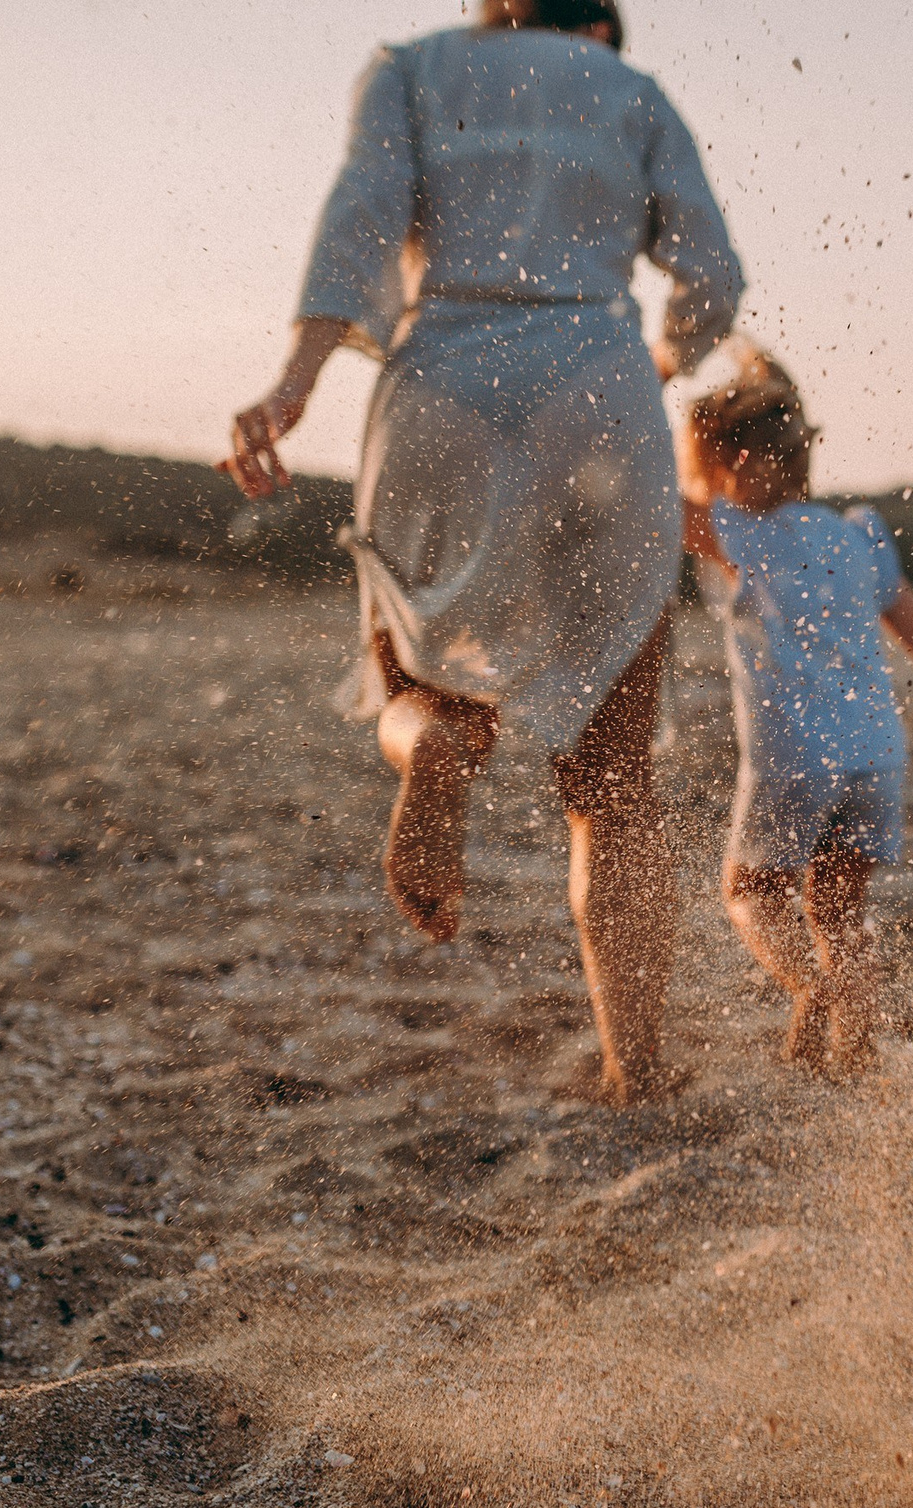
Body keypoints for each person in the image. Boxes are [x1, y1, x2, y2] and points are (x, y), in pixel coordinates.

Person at [223, 0, 741, 1102]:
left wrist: (296, 381)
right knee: (611, 781)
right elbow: (713, 278)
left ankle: (437, 750)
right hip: (597, 380)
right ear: (597, 19)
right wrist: (657, 363)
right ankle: (636, 1065)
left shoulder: (412, 69)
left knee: (415, 679)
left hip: (443, 380)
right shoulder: (633, 92)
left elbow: (359, 220)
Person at [678, 344, 913, 1074]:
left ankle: (807, 990)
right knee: (842, 912)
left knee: (750, 890)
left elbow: (648, 490)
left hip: (794, 755)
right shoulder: (858, 535)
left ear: (730, 467)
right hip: (877, 755)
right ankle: (856, 1048)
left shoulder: (740, 533)